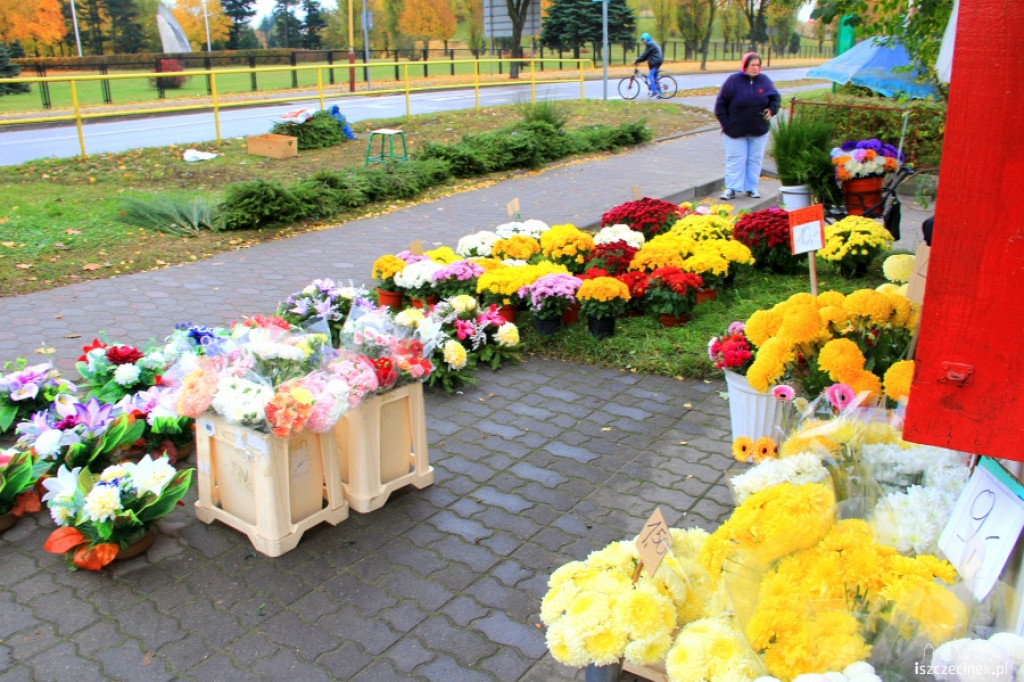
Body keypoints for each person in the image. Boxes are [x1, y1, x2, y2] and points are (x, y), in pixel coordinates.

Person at [713, 52, 780, 200]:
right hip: (735, 131)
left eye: (758, 65)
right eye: (752, 65)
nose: (755, 68)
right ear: (745, 66)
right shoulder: (732, 81)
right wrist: (726, 125)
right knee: (735, 159)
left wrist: (771, 109)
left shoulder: (764, 81)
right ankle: (731, 188)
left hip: (758, 130)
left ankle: (751, 188)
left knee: (755, 159)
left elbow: (775, 98)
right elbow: (720, 105)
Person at [633, 33, 663, 98]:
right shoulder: (651, 44)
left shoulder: (650, 44)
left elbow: (644, 54)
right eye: (642, 40)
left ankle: (654, 92)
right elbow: (645, 57)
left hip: (655, 62)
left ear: (647, 38)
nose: (643, 41)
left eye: (644, 40)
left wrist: (636, 60)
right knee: (655, 77)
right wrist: (638, 60)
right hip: (657, 62)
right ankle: (660, 92)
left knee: (650, 76)